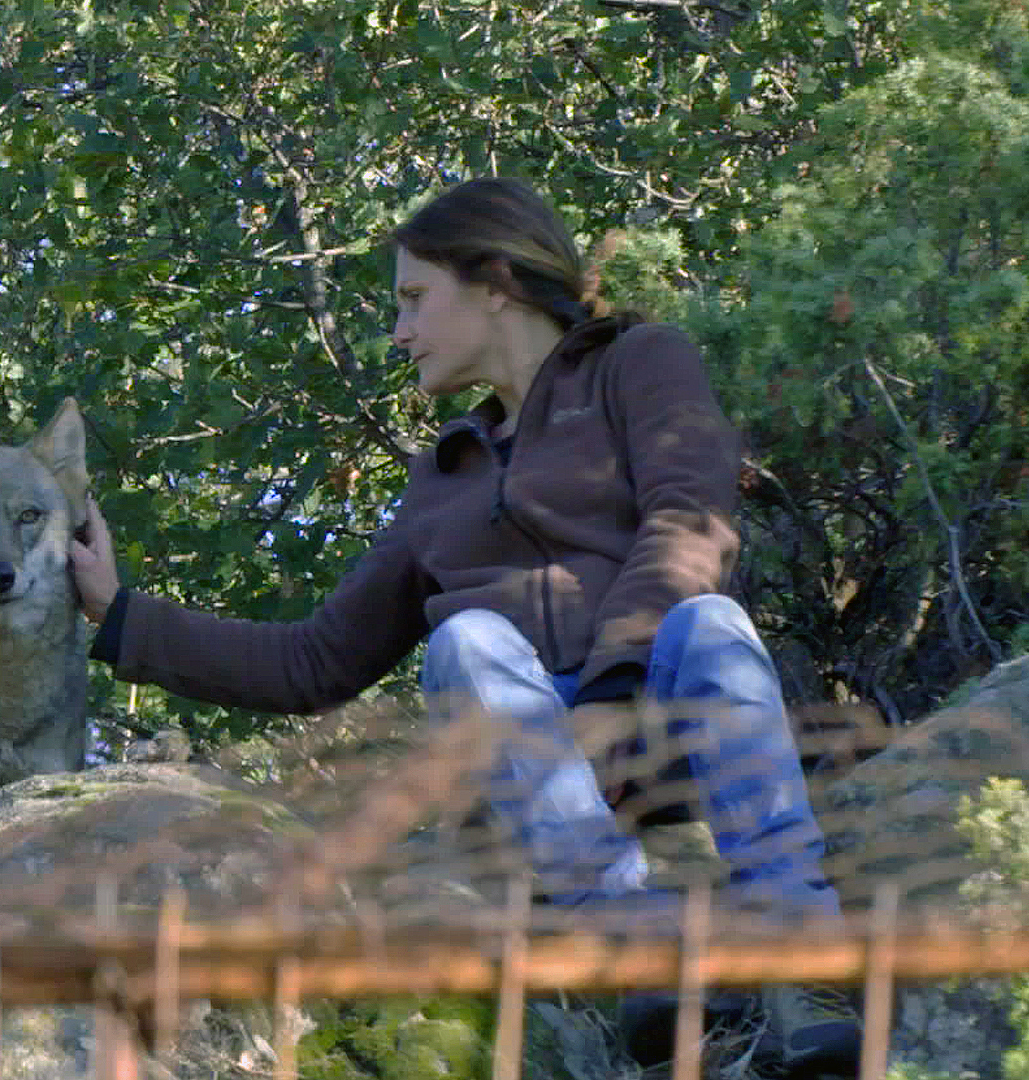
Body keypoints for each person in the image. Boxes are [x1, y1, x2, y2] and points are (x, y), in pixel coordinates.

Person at [67, 177, 861, 1073]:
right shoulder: (441, 477)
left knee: (711, 618)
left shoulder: (640, 361)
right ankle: (640, 947)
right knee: (466, 640)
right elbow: (315, 661)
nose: (400, 331)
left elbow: (692, 518)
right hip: (526, 768)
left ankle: (807, 959)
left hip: (660, 713)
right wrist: (119, 611)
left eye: (414, 299)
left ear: (494, 282)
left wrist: (615, 684)